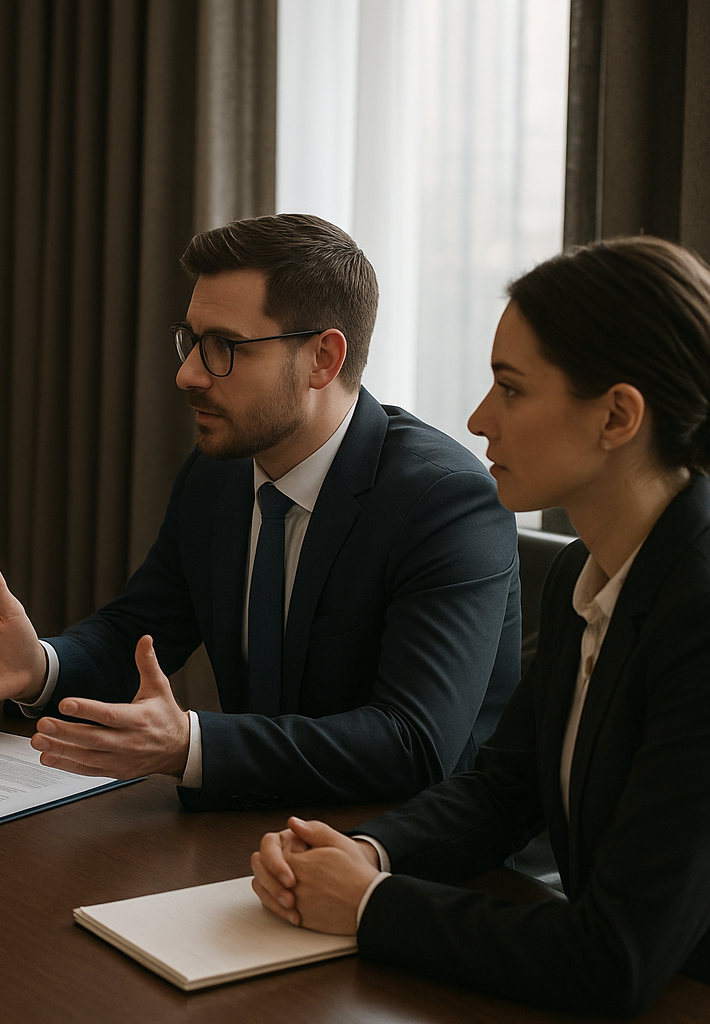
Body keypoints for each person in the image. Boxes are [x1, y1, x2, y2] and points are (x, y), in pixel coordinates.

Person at [0, 214, 521, 809]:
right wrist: (40, 667)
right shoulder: (219, 475)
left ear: (323, 360)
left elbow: (412, 745)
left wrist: (188, 745)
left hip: (400, 865)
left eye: (224, 347)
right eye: (191, 342)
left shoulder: (444, 502)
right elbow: (139, 632)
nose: (187, 374)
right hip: (251, 832)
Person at [248, 236, 710, 1014]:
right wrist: (368, 852)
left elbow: (614, 957)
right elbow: (506, 791)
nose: (478, 417)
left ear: (618, 416)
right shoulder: (584, 571)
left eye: (512, 389)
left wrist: (367, 906)